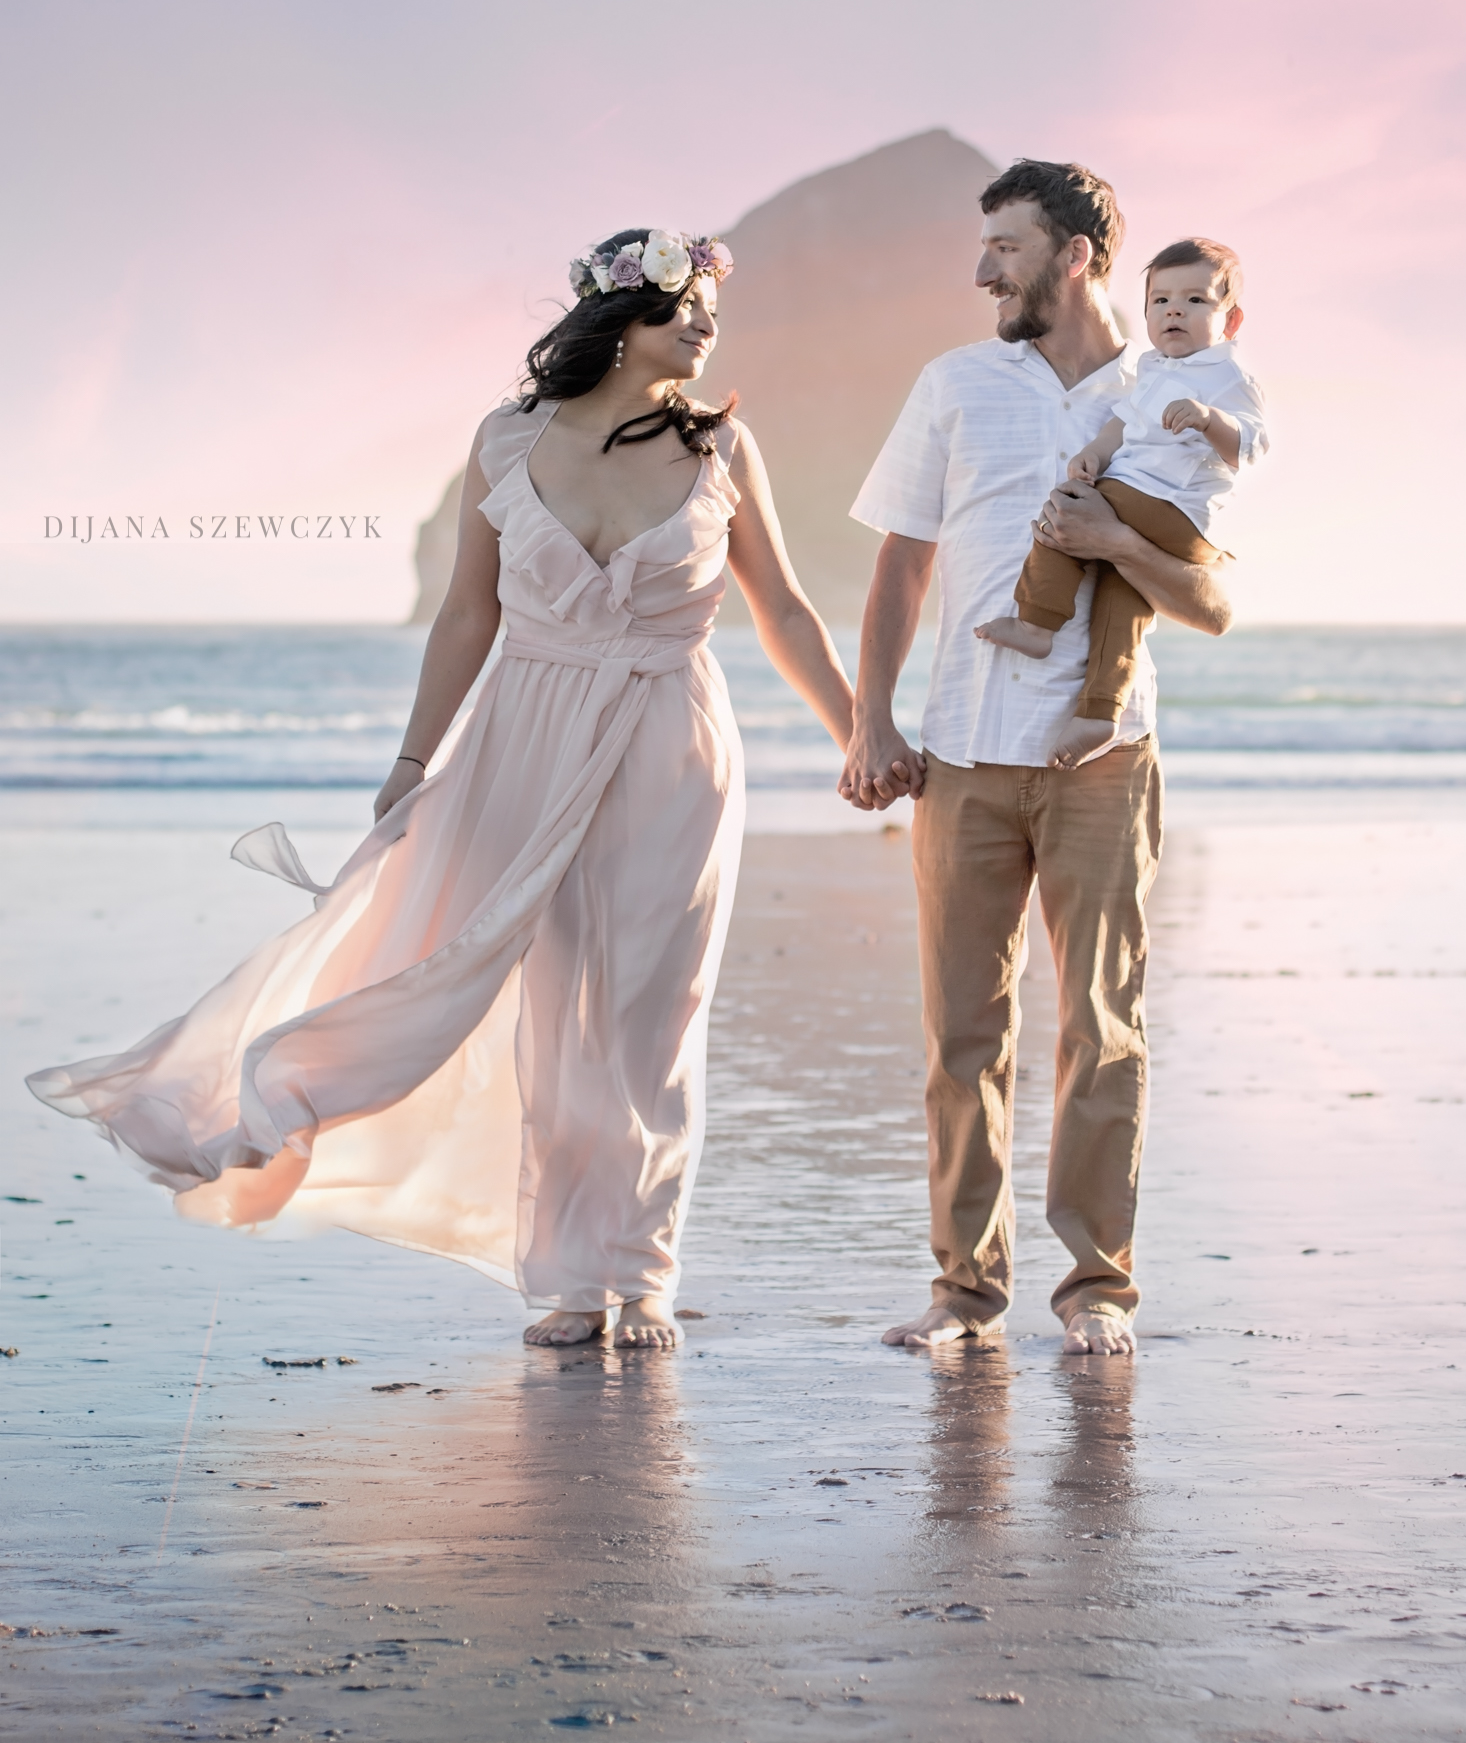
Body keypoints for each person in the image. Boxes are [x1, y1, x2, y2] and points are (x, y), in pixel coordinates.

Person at [29, 226, 854, 1351]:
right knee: (543, 1009)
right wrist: (414, 762)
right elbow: (469, 612)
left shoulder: (722, 446)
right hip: (521, 736)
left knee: (653, 1014)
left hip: (672, 742)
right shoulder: (505, 440)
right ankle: (569, 1274)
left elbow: (788, 612)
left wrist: (862, 734)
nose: (704, 329)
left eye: (711, 310)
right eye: (682, 309)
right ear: (619, 322)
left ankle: (642, 1270)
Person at [839, 162, 1235, 1357]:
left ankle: (1097, 1287)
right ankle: (965, 1291)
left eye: (1004, 248)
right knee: (963, 1033)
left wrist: (1113, 537)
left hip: (1105, 757)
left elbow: (1209, 596)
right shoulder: (955, 384)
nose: (980, 273)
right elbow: (899, 567)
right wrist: (872, 722)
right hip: (960, 753)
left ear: (1075, 254)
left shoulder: (1174, 389)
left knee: (1101, 1027)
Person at [976, 236, 1267, 768]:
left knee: (1070, 507)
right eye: (1161, 300)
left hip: (1172, 510)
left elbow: (1253, 444)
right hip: (1142, 502)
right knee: (1121, 598)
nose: (1175, 309)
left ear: (1232, 320)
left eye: (1196, 300)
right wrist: (1094, 452)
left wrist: (1208, 419)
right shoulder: (1153, 368)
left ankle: (1038, 623)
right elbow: (1125, 422)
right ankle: (1099, 714)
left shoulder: (1227, 375)